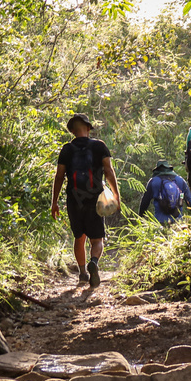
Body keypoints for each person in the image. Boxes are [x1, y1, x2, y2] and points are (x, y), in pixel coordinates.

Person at [50, 113, 120, 287]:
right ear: (88, 128)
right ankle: (94, 262)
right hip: (95, 200)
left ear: (72, 131)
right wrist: (116, 194)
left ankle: (82, 273)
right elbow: (109, 171)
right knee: (97, 240)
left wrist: (54, 202)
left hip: (74, 200)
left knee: (79, 237)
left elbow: (59, 176)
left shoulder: (66, 149)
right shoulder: (99, 146)